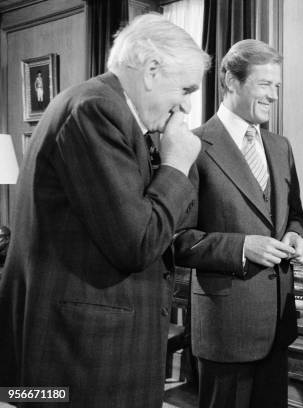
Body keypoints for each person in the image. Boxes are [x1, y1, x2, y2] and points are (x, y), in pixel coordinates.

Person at [0, 13, 210, 407]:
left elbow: (174, 223)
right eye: (185, 89)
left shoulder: (112, 111)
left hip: (94, 346)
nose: (185, 105)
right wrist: (177, 164)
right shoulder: (97, 110)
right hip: (83, 355)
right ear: (150, 70)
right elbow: (138, 242)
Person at [174, 39, 303, 408]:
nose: (274, 96)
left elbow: (296, 216)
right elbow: (176, 239)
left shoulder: (281, 147)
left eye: (277, 87)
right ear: (232, 81)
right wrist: (242, 247)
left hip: (278, 326)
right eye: (265, 85)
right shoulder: (192, 145)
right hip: (226, 332)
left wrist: (297, 236)